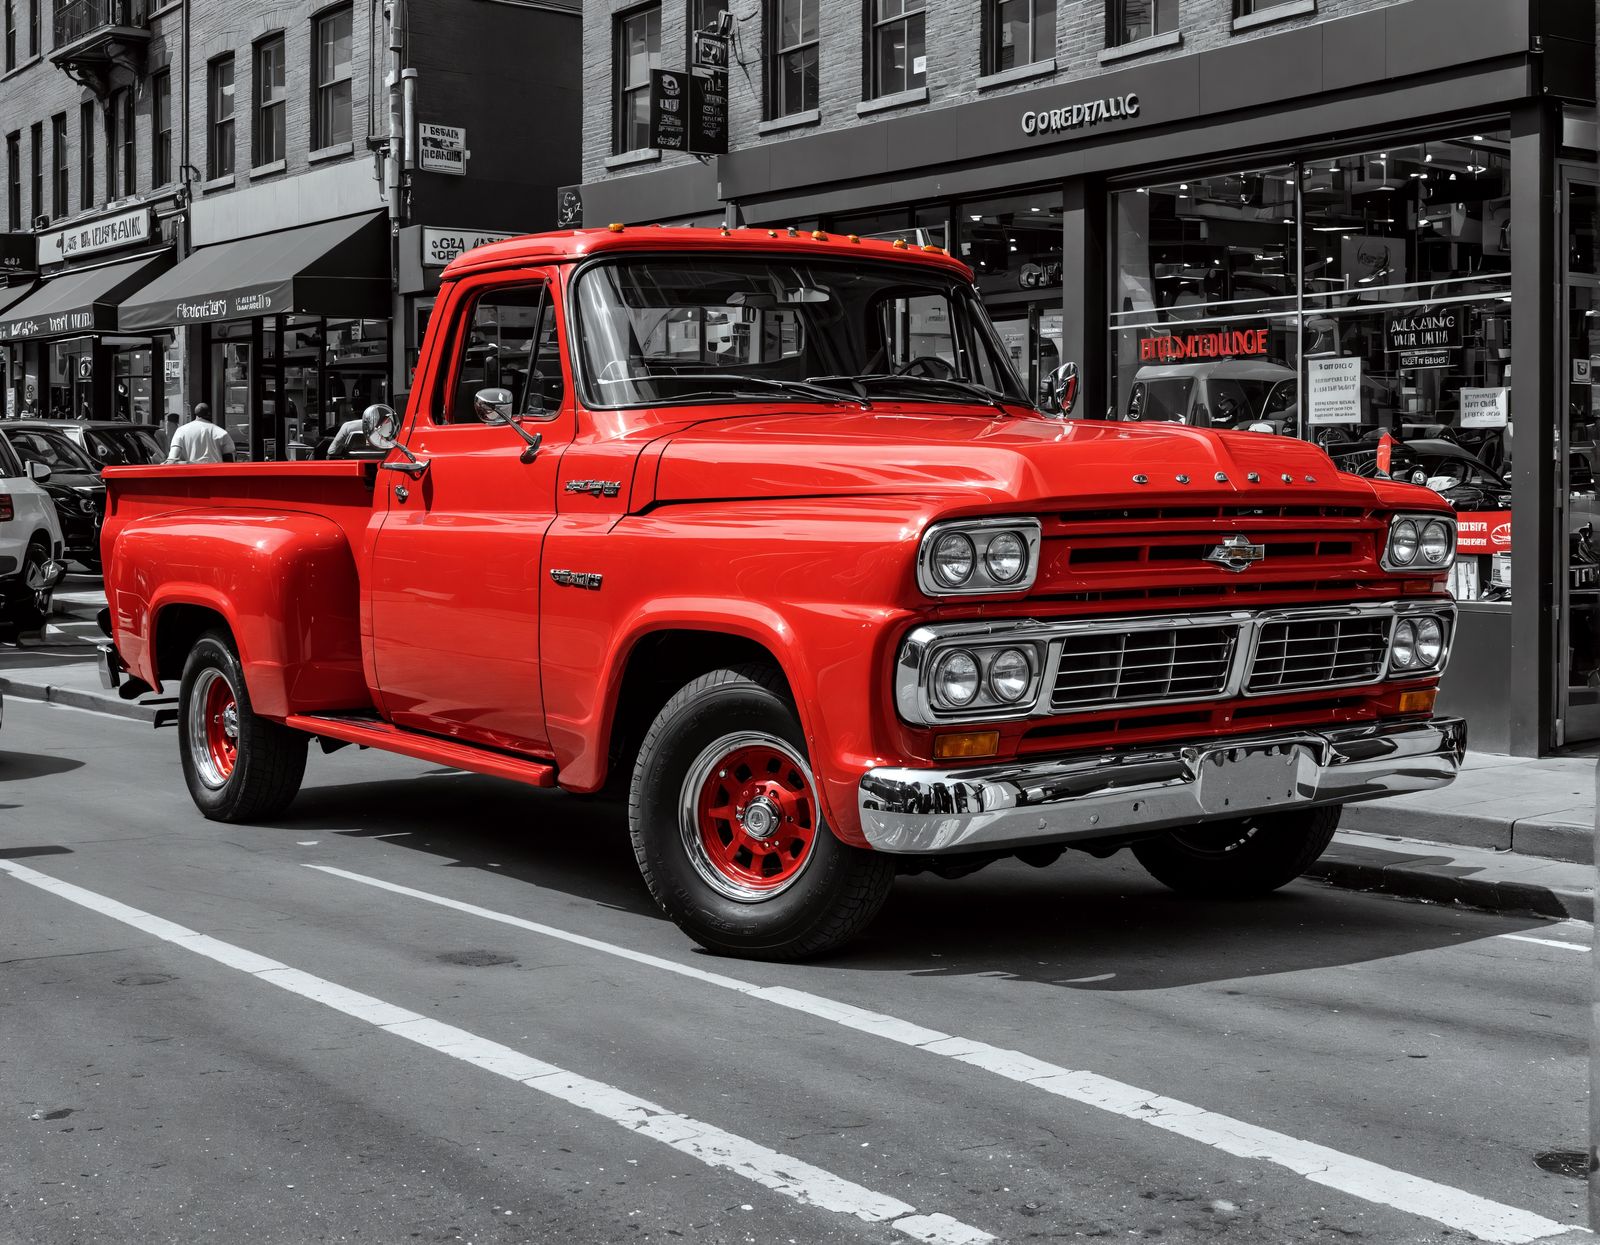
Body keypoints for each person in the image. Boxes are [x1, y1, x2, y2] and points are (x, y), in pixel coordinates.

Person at [165, 403, 235, 464]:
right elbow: (229, 459)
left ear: (195, 415)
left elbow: (172, 458)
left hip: (191, 474)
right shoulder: (221, 432)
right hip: (214, 474)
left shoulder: (181, 431)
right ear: (210, 415)